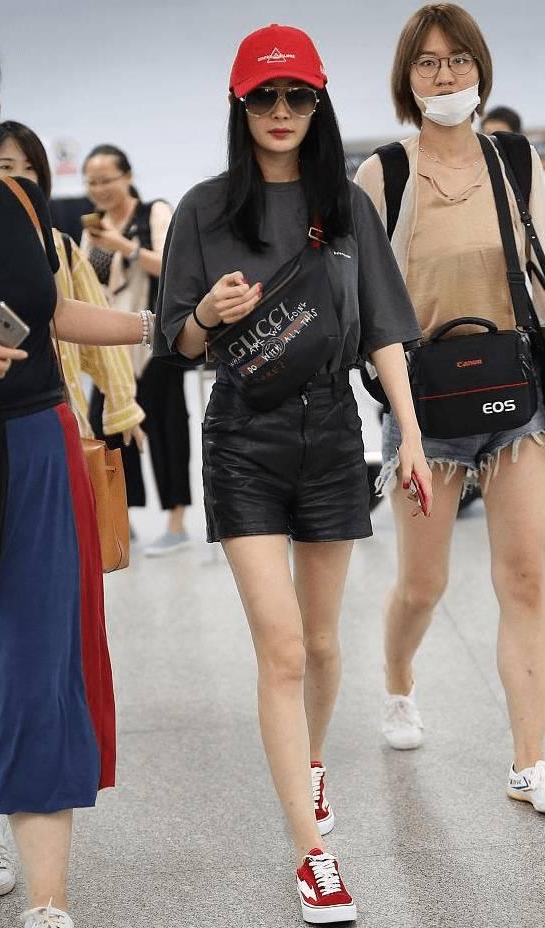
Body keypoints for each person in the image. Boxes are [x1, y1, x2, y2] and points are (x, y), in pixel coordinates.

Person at [157, 22, 432, 924]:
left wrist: (412, 437)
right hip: (243, 436)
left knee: (319, 644)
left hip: (332, 433)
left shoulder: (345, 207)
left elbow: (383, 328)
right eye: (264, 96)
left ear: (319, 104)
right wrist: (206, 312)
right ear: (240, 105)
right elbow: (179, 344)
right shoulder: (204, 209)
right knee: (280, 648)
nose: (281, 110)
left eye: (298, 95)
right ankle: (313, 855)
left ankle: (308, 765)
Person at [0, 24, 154, 928]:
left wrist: (163, 327)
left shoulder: (18, 201)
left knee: (38, 658)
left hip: (37, 447)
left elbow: (53, 311)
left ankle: (49, 902)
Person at [355, 3, 545, 811]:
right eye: (428, 62)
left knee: (527, 577)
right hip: (425, 405)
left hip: (516, 395)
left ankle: (531, 759)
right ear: (408, 78)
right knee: (423, 584)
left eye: (458, 59)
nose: (445, 75)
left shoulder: (518, 162)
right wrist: (396, 419)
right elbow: (367, 303)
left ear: (480, 69)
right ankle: (399, 678)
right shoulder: (382, 175)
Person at [0, 120, 146, 446]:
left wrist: (123, 405)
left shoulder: (61, 248)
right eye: (5, 166)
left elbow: (91, 326)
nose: (19, 177)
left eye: (30, 168)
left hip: (61, 415)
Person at [81, 145, 191, 555]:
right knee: (107, 430)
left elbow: (172, 266)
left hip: (155, 341)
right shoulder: (93, 228)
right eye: (92, 182)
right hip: (111, 346)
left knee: (167, 430)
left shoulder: (153, 212)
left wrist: (123, 245)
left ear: (127, 177)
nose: (99, 189)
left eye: (107, 180)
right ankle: (120, 523)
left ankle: (176, 524)